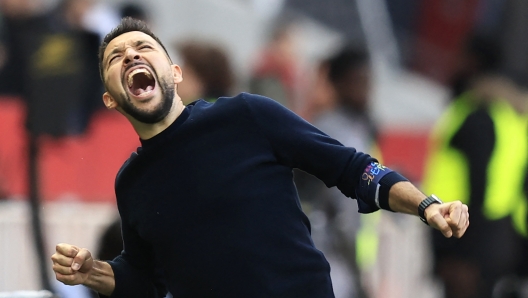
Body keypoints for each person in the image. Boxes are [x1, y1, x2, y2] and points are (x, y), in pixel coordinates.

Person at [51, 17, 469, 298]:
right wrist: (93, 273)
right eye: (115, 58)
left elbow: (355, 169)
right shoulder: (132, 182)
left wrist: (427, 205)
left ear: (174, 73)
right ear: (109, 98)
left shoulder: (246, 115)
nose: (131, 55)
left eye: (143, 46)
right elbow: (144, 279)